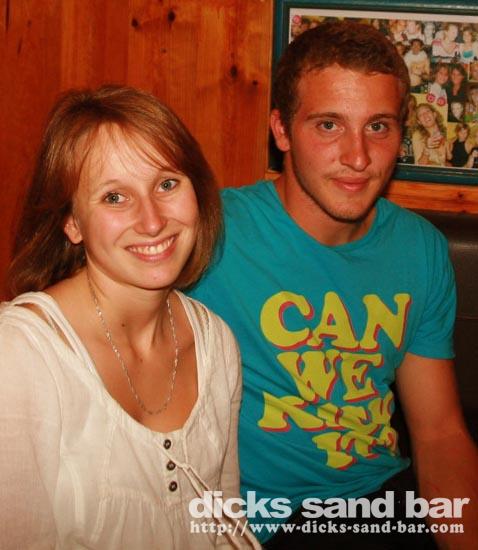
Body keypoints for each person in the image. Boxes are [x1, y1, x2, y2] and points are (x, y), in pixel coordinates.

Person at [189, 21, 478, 549]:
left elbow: (439, 433)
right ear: (282, 131)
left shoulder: (421, 249)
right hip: (267, 519)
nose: (358, 157)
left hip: (383, 501)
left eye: (378, 127)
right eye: (328, 125)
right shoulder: (211, 233)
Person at [0, 86, 259, 550]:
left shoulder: (215, 343)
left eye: (166, 184)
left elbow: (224, 527)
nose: (153, 221)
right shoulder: (20, 356)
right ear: (72, 223)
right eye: (115, 197)